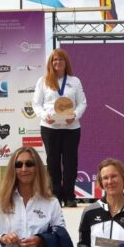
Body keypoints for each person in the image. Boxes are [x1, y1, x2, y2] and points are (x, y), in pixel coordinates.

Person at [32, 48, 87, 207]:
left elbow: (82, 102)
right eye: (55, 60)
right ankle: (55, 195)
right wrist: (45, 116)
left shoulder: (75, 81)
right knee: (53, 161)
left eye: (61, 60)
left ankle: (70, 195)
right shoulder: (43, 81)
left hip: (71, 128)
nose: (58, 62)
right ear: (50, 63)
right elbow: (36, 104)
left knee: (71, 162)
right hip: (50, 128)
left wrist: (75, 115)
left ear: (66, 62)